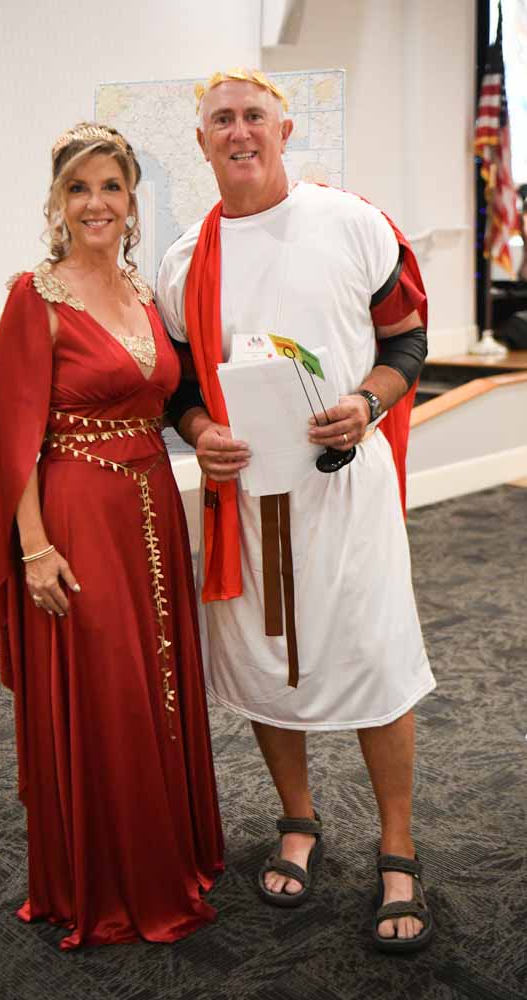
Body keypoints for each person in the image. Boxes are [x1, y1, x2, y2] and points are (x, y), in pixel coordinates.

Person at [157, 69, 436, 953]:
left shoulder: (352, 223)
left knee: (373, 658)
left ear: (283, 130)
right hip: (250, 502)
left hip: (346, 491)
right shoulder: (182, 263)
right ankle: (297, 818)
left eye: (253, 116)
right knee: (270, 659)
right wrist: (198, 431)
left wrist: (367, 400)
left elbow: (406, 337)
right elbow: (178, 389)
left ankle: (397, 845)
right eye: (221, 120)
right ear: (201, 141)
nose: (238, 132)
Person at [0, 121, 224, 950]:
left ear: (131, 200)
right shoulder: (36, 295)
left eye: (111, 187)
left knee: (159, 679)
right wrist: (34, 547)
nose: (97, 203)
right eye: (79, 188)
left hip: (151, 506)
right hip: (77, 513)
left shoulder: (142, 292)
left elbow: (170, 396)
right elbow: (12, 438)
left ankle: (168, 849)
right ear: (57, 202)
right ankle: (109, 876)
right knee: (108, 686)